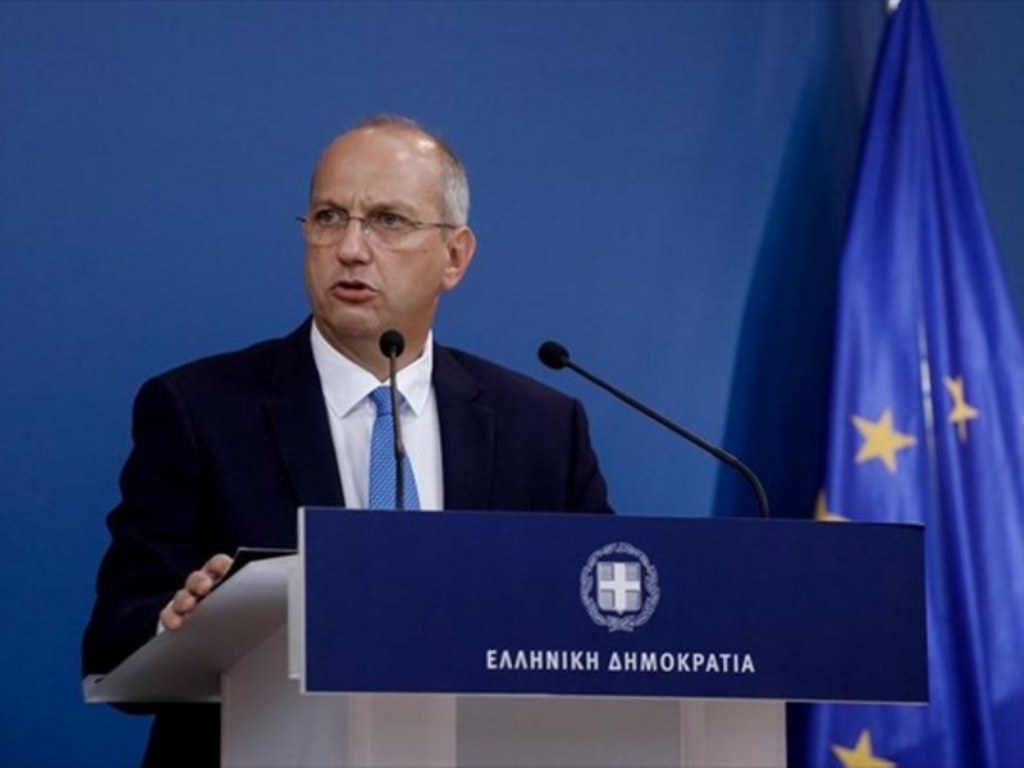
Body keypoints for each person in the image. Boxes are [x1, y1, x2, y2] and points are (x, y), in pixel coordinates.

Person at [82, 114, 612, 766]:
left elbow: (599, 635)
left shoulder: (543, 427)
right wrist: (186, 624)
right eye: (329, 218)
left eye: (388, 220)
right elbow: (112, 644)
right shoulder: (200, 410)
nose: (351, 248)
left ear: (454, 256)